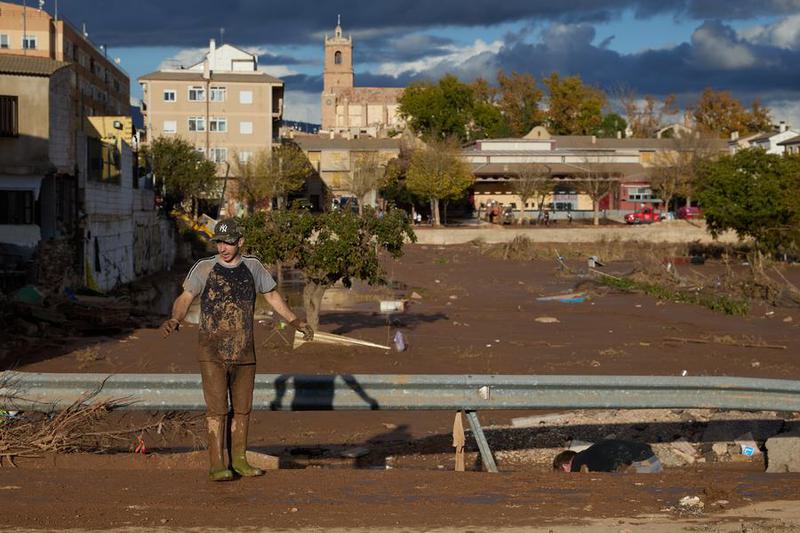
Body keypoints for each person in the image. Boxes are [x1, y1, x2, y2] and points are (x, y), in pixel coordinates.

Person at [162, 218, 314, 482]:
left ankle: (240, 460)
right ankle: (217, 463)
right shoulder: (204, 267)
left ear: (240, 242)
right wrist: (175, 318)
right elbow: (185, 297)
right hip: (212, 351)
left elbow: (273, 296)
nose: (223, 248)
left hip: (244, 351)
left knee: (243, 409)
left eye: (229, 242)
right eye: (220, 242)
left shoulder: (254, 267)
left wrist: (295, 321)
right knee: (217, 410)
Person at [552, 439, 662, 473]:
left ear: (565, 465)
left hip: (629, 459)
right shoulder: (592, 451)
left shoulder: (578, 461)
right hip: (649, 456)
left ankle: (630, 468)